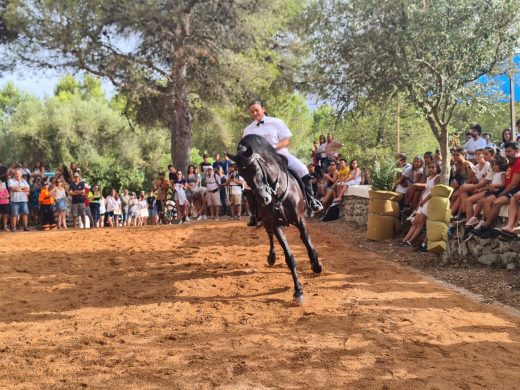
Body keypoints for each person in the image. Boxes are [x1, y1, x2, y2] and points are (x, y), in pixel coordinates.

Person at [242, 99, 323, 215]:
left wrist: (274, 147)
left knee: (303, 169)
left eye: (257, 110)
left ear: (263, 109)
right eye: (252, 112)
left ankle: (311, 201)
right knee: (247, 183)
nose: (254, 113)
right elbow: (245, 146)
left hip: (279, 154)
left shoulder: (276, 122)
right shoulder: (248, 129)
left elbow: (286, 140)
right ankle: (254, 214)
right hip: (259, 159)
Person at [472, 142, 520, 238]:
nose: (507, 153)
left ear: (517, 151)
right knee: (486, 201)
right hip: (506, 189)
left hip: (513, 190)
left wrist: (502, 193)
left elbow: (513, 184)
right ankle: (488, 226)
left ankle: (487, 227)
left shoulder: (518, 161)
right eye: (506, 151)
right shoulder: (511, 162)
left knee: (497, 201)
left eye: (509, 151)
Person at [399, 162, 441, 246]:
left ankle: (410, 241)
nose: (431, 169)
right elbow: (426, 190)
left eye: (433, 167)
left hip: (428, 201)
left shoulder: (437, 178)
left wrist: (424, 200)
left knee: (420, 223)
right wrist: (421, 198)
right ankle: (405, 240)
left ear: (437, 168)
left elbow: (433, 192)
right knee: (415, 222)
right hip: (423, 201)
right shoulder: (429, 178)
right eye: (430, 167)